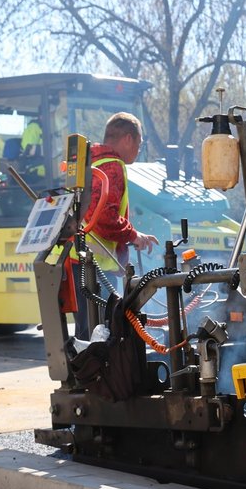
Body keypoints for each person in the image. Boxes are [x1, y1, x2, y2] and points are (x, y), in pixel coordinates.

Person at [73, 112, 159, 339]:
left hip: (77, 262)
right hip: (94, 266)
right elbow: (103, 217)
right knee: (100, 337)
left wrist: (132, 235)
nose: (138, 149)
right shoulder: (112, 166)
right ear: (128, 139)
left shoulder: (90, 162)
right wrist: (133, 236)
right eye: (139, 143)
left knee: (86, 335)